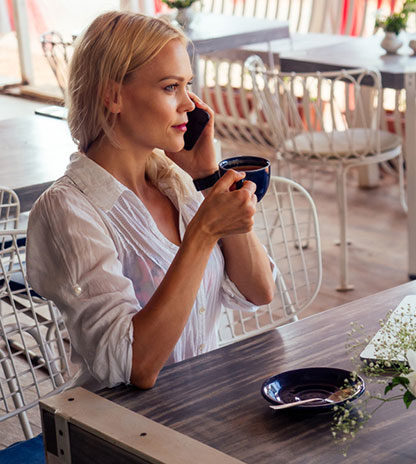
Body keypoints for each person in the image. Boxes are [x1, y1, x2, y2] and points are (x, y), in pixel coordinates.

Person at [26, 11, 275, 390]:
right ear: (112, 96)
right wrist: (203, 233)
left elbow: (259, 291)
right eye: (170, 87)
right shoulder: (68, 210)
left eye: (187, 85)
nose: (191, 106)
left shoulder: (178, 182)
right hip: (124, 433)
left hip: (206, 411)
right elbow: (131, 366)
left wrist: (208, 178)